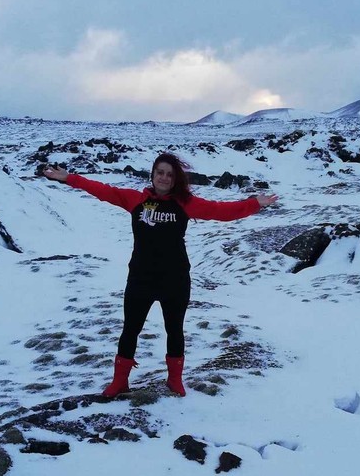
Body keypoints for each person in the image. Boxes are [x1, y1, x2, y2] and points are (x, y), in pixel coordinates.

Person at [42, 153, 278, 397]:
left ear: (175, 179)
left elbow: (220, 211)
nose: (164, 178)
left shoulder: (185, 203)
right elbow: (103, 190)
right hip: (140, 277)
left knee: (174, 330)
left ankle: (174, 380)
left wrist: (255, 204)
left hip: (174, 279)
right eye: (160, 172)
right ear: (152, 175)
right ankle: (119, 382)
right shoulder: (135, 200)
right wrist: (70, 178)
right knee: (130, 330)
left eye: (169, 174)